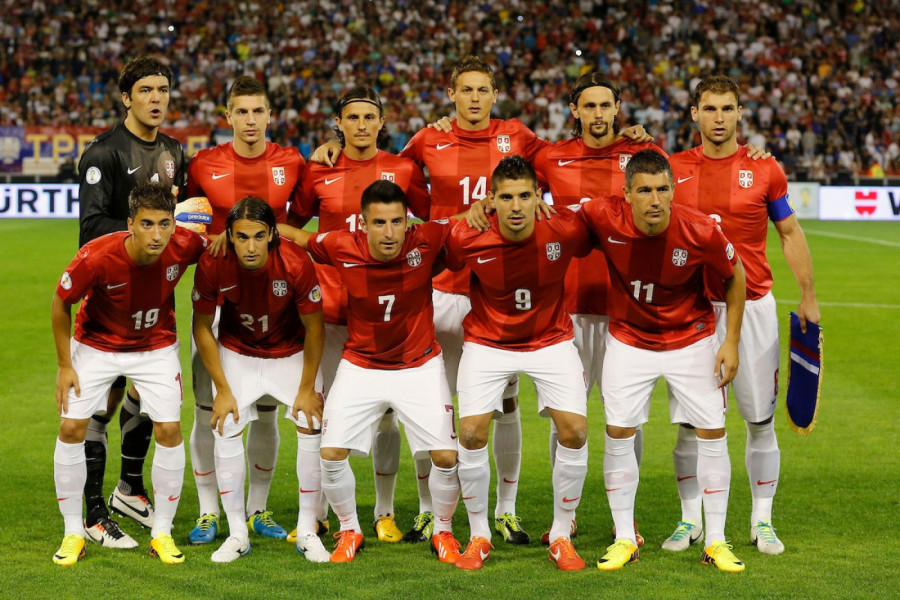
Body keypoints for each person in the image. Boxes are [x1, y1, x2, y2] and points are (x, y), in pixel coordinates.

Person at [665, 75, 820, 555]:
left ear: (739, 113)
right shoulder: (672, 169)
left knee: (759, 420)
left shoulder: (765, 169)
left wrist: (809, 297)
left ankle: (762, 520)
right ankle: (690, 519)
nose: (718, 118)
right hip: (690, 310)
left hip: (752, 308)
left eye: (726, 109)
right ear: (694, 113)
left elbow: (790, 233)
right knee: (690, 424)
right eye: (709, 109)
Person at [577, 149, 748, 573]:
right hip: (629, 341)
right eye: (645, 190)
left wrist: (731, 341)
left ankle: (717, 541)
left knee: (712, 434)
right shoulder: (601, 216)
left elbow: (735, 276)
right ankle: (623, 538)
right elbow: (557, 224)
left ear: (674, 190)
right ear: (626, 194)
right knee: (618, 434)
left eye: (663, 190)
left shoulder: (700, 230)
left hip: (690, 341)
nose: (655, 199)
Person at [280, 180, 463, 565]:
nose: (390, 232)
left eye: (398, 221)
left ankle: (443, 532)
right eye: (379, 223)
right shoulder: (340, 245)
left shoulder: (426, 238)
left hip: (419, 364)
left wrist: (488, 206)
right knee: (330, 453)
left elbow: (465, 221)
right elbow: (295, 234)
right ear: (362, 223)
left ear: (409, 222)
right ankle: (350, 529)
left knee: (446, 457)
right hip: (361, 363)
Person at [288, 86, 431, 544]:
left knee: (388, 414)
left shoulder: (404, 170)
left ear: (382, 122)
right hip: (331, 309)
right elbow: (299, 225)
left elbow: (428, 226)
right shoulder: (318, 170)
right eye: (353, 118)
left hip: (389, 314)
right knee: (326, 411)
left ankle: (383, 512)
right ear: (339, 123)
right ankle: (324, 514)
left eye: (371, 117)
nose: (362, 125)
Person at [530, 72, 667, 546]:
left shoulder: (642, 158)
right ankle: (560, 519)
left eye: (606, 105)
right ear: (574, 111)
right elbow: (503, 167)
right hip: (564, 309)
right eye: (588, 106)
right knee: (566, 415)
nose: (598, 114)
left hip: (626, 308)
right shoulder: (550, 157)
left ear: (618, 108)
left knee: (625, 416)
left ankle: (621, 517)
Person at [445, 155, 593, 571]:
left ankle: (561, 534)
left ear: (537, 197)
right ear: (491, 200)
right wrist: (467, 213)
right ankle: (478, 536)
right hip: (488, 341)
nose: (515, 206)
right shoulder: (469, 233)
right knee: (471, 434)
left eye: (525, 196)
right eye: (506, 197)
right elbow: (441, 255)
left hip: (550, 339)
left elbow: (606, 230)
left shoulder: (564, 227)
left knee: (576, 431)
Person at [52, 182, 207, 566]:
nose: (157, 234)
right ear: (130, 224)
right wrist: (64, 366)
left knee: (169, 430)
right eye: (147, 224)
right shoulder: (95, 256)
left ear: (175, 223)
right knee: (71, 429)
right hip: (96, 348)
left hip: (155, 348)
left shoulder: (185, 244)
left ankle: (162, 534)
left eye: (165, 224)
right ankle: (74, 531)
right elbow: (61, 303)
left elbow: (221, 245)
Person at [184, 75, 307, 545]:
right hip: (219, 296)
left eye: (259, 111)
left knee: (267, 410)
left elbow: (301, 216)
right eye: (242, 112)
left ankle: (257, 507)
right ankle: (208, 511)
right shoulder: (204, 163)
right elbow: (184, 219)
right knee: (207, 407)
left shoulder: (291, 161)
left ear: (270, 116)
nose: (251, 120)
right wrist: (206, 239)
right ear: (228, 116)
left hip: (274, 299)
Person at [75, 56, 186, 548]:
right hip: (109, 299)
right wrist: (146, 233)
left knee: (146, 396)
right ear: (126, 98)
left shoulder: (173, 151)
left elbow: (190, 213)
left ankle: (130, 488)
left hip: (156, 298)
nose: (156, 98)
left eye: (163, 89)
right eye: (146, 90)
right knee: (103, 403)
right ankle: (94, 513)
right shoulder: (104, 153)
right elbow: (91, 229)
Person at [192, 197, 326, 563]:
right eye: (241, 237)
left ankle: (308, 529)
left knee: (312, 423)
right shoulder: (212, 263)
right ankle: (237, 533)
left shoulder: (297, 263)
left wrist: (306, 388)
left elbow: (315, 328)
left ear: (271, 235)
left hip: (291, 352)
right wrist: (221, 389)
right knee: (225, 423)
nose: (250, 246)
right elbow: (202, 327)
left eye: (257, 236)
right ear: (229, 237)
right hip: (239, 351)